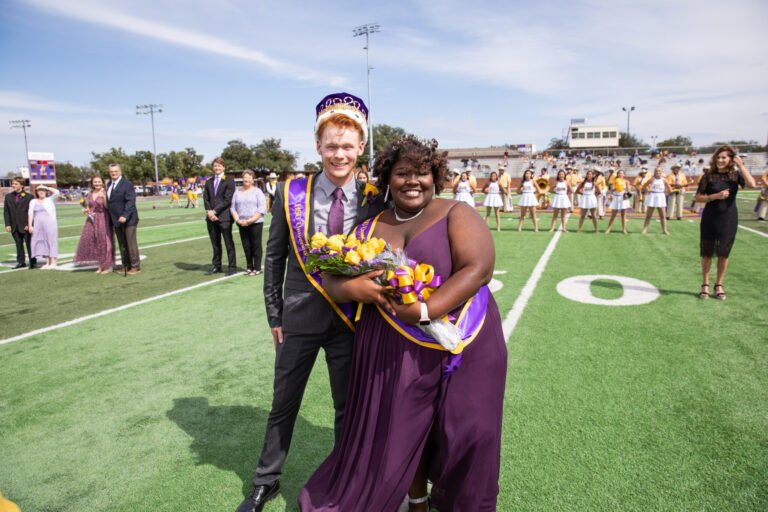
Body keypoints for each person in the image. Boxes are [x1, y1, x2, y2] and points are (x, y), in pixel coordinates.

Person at [298, 135, 507, 511]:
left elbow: (479, 269)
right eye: (402, 173)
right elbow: (331, 278)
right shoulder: (369, 226)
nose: (413, 181)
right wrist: (354, 287)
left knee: (471, 432)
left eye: (422, 173)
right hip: (396, 349)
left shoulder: (455, 212)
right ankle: (416, 499)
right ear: (387, 179)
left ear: (435, 176)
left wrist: (425, 311)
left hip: (468, 343)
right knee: (401, 433)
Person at [236, 92, 383, 512]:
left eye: (347, 146)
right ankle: (266, 481)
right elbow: (274, 257)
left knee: (347, 407)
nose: (339, 154)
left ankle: (345, 480)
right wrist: (273, 314)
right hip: (299, 314)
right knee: (284, 403)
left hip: (351, 316)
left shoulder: (374, 194)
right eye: (331, 145)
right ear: (317, 146)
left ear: (360, 147)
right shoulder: (290, 191)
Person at [693, 145, 756, 300]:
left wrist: (741, 165)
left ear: (730, 160)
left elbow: (752, 184)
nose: (720, 160)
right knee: (707, 253)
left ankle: (719, 284)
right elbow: (697, 197)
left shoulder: (735, 175)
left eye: (724, 158)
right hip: (710, 218)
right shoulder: (708, 175)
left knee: (723, 253)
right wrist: (714, 196)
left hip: (728, 218)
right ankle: (705, 284)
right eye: (718, 157)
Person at [74, 175, 115, 274]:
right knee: (96, 242)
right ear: (92, 183)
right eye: (95, 182)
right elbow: (88, 206)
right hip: (92, 219)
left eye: (99, 182)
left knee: (105, 242)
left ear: (102, 182)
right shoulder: (90, 193)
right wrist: (86, 210)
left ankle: (108, 265)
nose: (97, 184)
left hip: (103, 218)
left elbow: (107, 206)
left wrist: (103, 197)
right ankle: (100, 265)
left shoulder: (105, 192)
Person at [203, 157, 237, 276]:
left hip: (224, 217)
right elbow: (206, 198)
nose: (217, 168)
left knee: (228, 243)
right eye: (215, 166)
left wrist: (215, 211)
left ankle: (232, 267)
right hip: (211, 218)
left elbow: (228, 199)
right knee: (215, 243)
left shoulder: (229, 181)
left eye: (219, 166)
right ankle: (217, 266)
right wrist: (209, 212)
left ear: (223, 167)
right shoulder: (209, 181)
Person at [231, 169, 267, 276]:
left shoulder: (258, 192)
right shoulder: (237, 192)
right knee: (246, 246)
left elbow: (261, 209)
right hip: (241, 223)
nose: (247, 179)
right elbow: (233, 208)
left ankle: (257, 267)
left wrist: (250, 220)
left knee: (256, 245)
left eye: (249, 178)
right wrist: (238, 220)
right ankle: (249, 266)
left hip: (255, 222)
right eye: (245, 177)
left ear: (252, 180)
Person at [106, 164, 141, 274]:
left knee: (130, 243)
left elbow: (131, 201)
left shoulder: (127, 184)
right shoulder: (109, 184)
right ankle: (126, 265)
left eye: (116, 171)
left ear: (120, 171)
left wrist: (125, 215)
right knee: (122, 244)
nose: (114, 173)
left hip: (129, 219)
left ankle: (135, 266)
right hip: (115, 219)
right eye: (112, 171)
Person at [3, 177, 35, 269]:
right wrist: (7, 224)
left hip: (25, 225)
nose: (13, 185)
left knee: (29, 244)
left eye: (16, 184)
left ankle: (32, 261)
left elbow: (31, 212)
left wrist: (29, 224)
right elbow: (6, 212)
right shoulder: (8, 196)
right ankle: (21, 262)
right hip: (14, 226)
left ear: (22, 185)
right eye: (13, 184)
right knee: (18, 244)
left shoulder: (29, 197)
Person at [27, 184, 60, 269]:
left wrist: (46, 187)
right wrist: (30, 225)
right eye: (38, 190)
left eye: (42, 190)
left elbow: (57, 192)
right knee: (42, 242)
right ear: (36, 192)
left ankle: (53, 262)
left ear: (45, 191)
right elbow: (30, 213)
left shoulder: (50, 200)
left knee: (51, 241)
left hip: (50, 223)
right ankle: (47, 262)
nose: (41, 191)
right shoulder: (33, 201)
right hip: (38, 224)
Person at [641, 167, 671, 235]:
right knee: (648, 215)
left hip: (661, 197)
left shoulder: (664, 180)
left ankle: (664, 230)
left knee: (663, 216)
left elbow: (670, 189)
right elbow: (644, 186)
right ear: (654, 172)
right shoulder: (651, 179)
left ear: (661, 172)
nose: (658, 172)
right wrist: (648, 190)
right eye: (656, 171)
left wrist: (665, 192)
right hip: (652, 196)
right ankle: (645, 229)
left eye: (659, 171)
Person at [605, 169, 630, 234]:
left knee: (623, 215)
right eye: (619, 173)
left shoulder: (626, 181)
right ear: (617, 174)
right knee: (613, 214)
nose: (620, 174)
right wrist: (616, 187)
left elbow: (629, 191)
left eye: (622, 173)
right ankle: (608, 229)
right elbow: (611, 190)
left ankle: (624, 229)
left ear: (624, 175)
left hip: (623, 198)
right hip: (616, 197)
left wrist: (627, 194)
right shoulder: (614, 181)